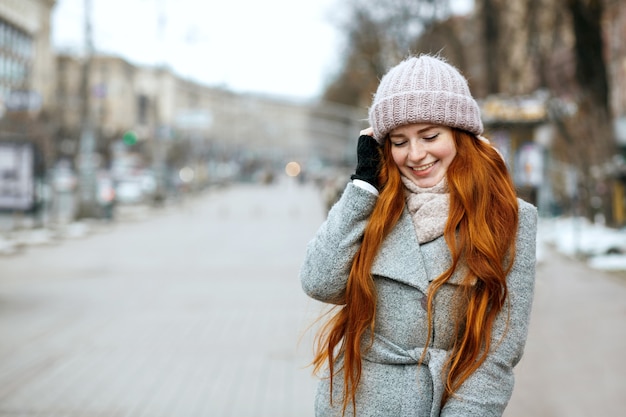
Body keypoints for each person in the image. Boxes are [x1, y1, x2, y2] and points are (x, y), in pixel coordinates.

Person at [299, 54, 537, 417]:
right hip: (351, 405)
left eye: (429, 136)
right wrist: (363, 184)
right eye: (398, 141)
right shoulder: (373, 204)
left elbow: (496, 357)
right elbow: (319, 281)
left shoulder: (507, 218)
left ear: (460, 135)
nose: (415, 154)